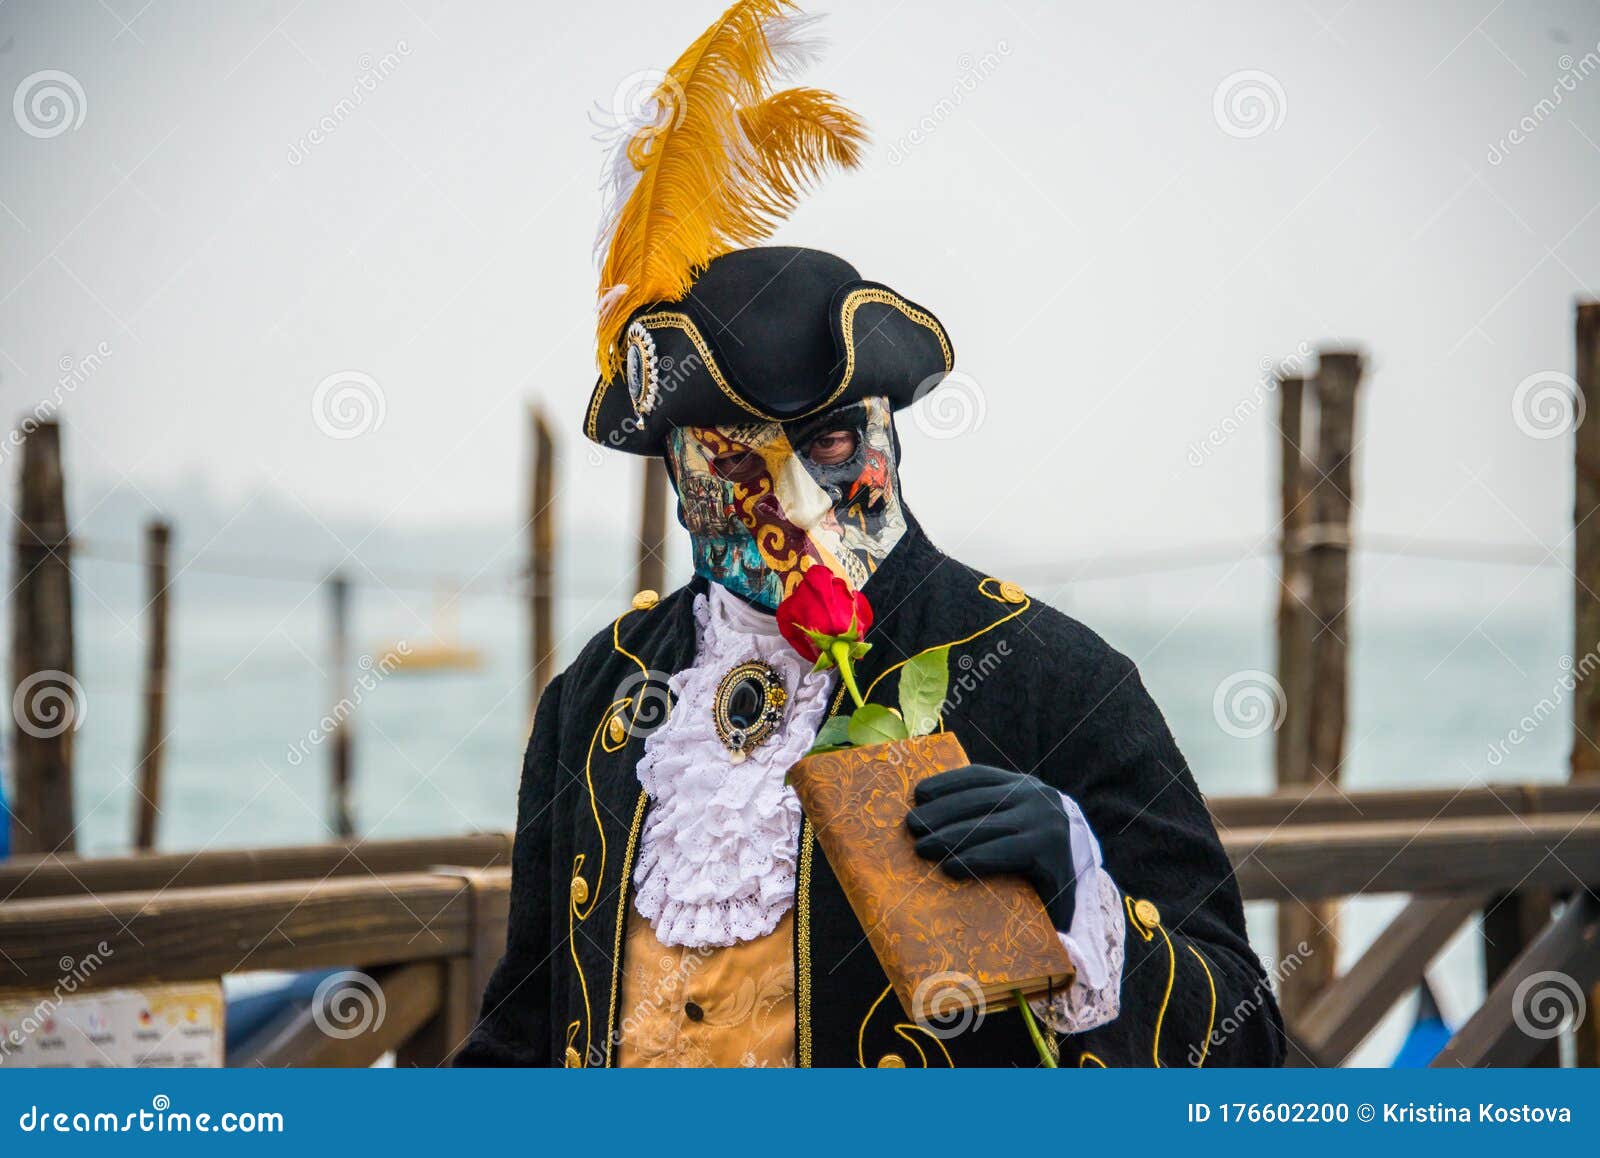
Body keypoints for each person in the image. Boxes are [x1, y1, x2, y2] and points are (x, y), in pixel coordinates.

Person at [457, 1, 1283, 1069]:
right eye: (743, 454)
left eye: (834, 442)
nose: (798, 494)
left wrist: (1087, 899)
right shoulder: (599, 698)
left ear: (889, 431)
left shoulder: (1048, 678)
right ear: (677, 470)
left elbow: (1244, 1044)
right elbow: (523, 1037)